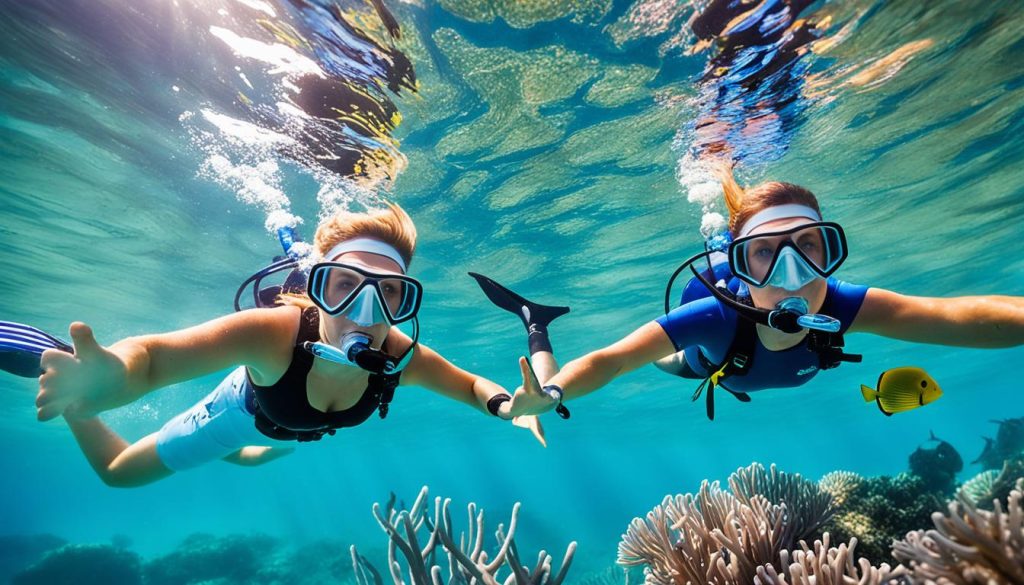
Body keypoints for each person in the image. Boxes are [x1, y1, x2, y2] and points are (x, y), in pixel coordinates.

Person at [29, 203, 539, 487]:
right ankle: (71, 398)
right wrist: (112, 378)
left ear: (405, 299)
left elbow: (473, 386)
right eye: (344, 285)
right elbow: (155, 358)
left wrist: (508, 406)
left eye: (388, 292)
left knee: (257, 456)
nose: (368, 311)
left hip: (287, 429)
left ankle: (236, 455)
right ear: (317, 288)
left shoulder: (399, 356)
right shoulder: (272, 332)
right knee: (120, 475)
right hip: (237, 415)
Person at [503, 167, 1024, 420]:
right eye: (764, 254)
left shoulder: (843, 304)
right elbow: (611, 359)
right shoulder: (711, 318)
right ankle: (536, 324)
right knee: (651, 362)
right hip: (702, 360)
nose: (791, 275)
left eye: (808, 249)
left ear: (828, 252)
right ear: (744, 264)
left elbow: (952, 316)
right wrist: (549, 395)